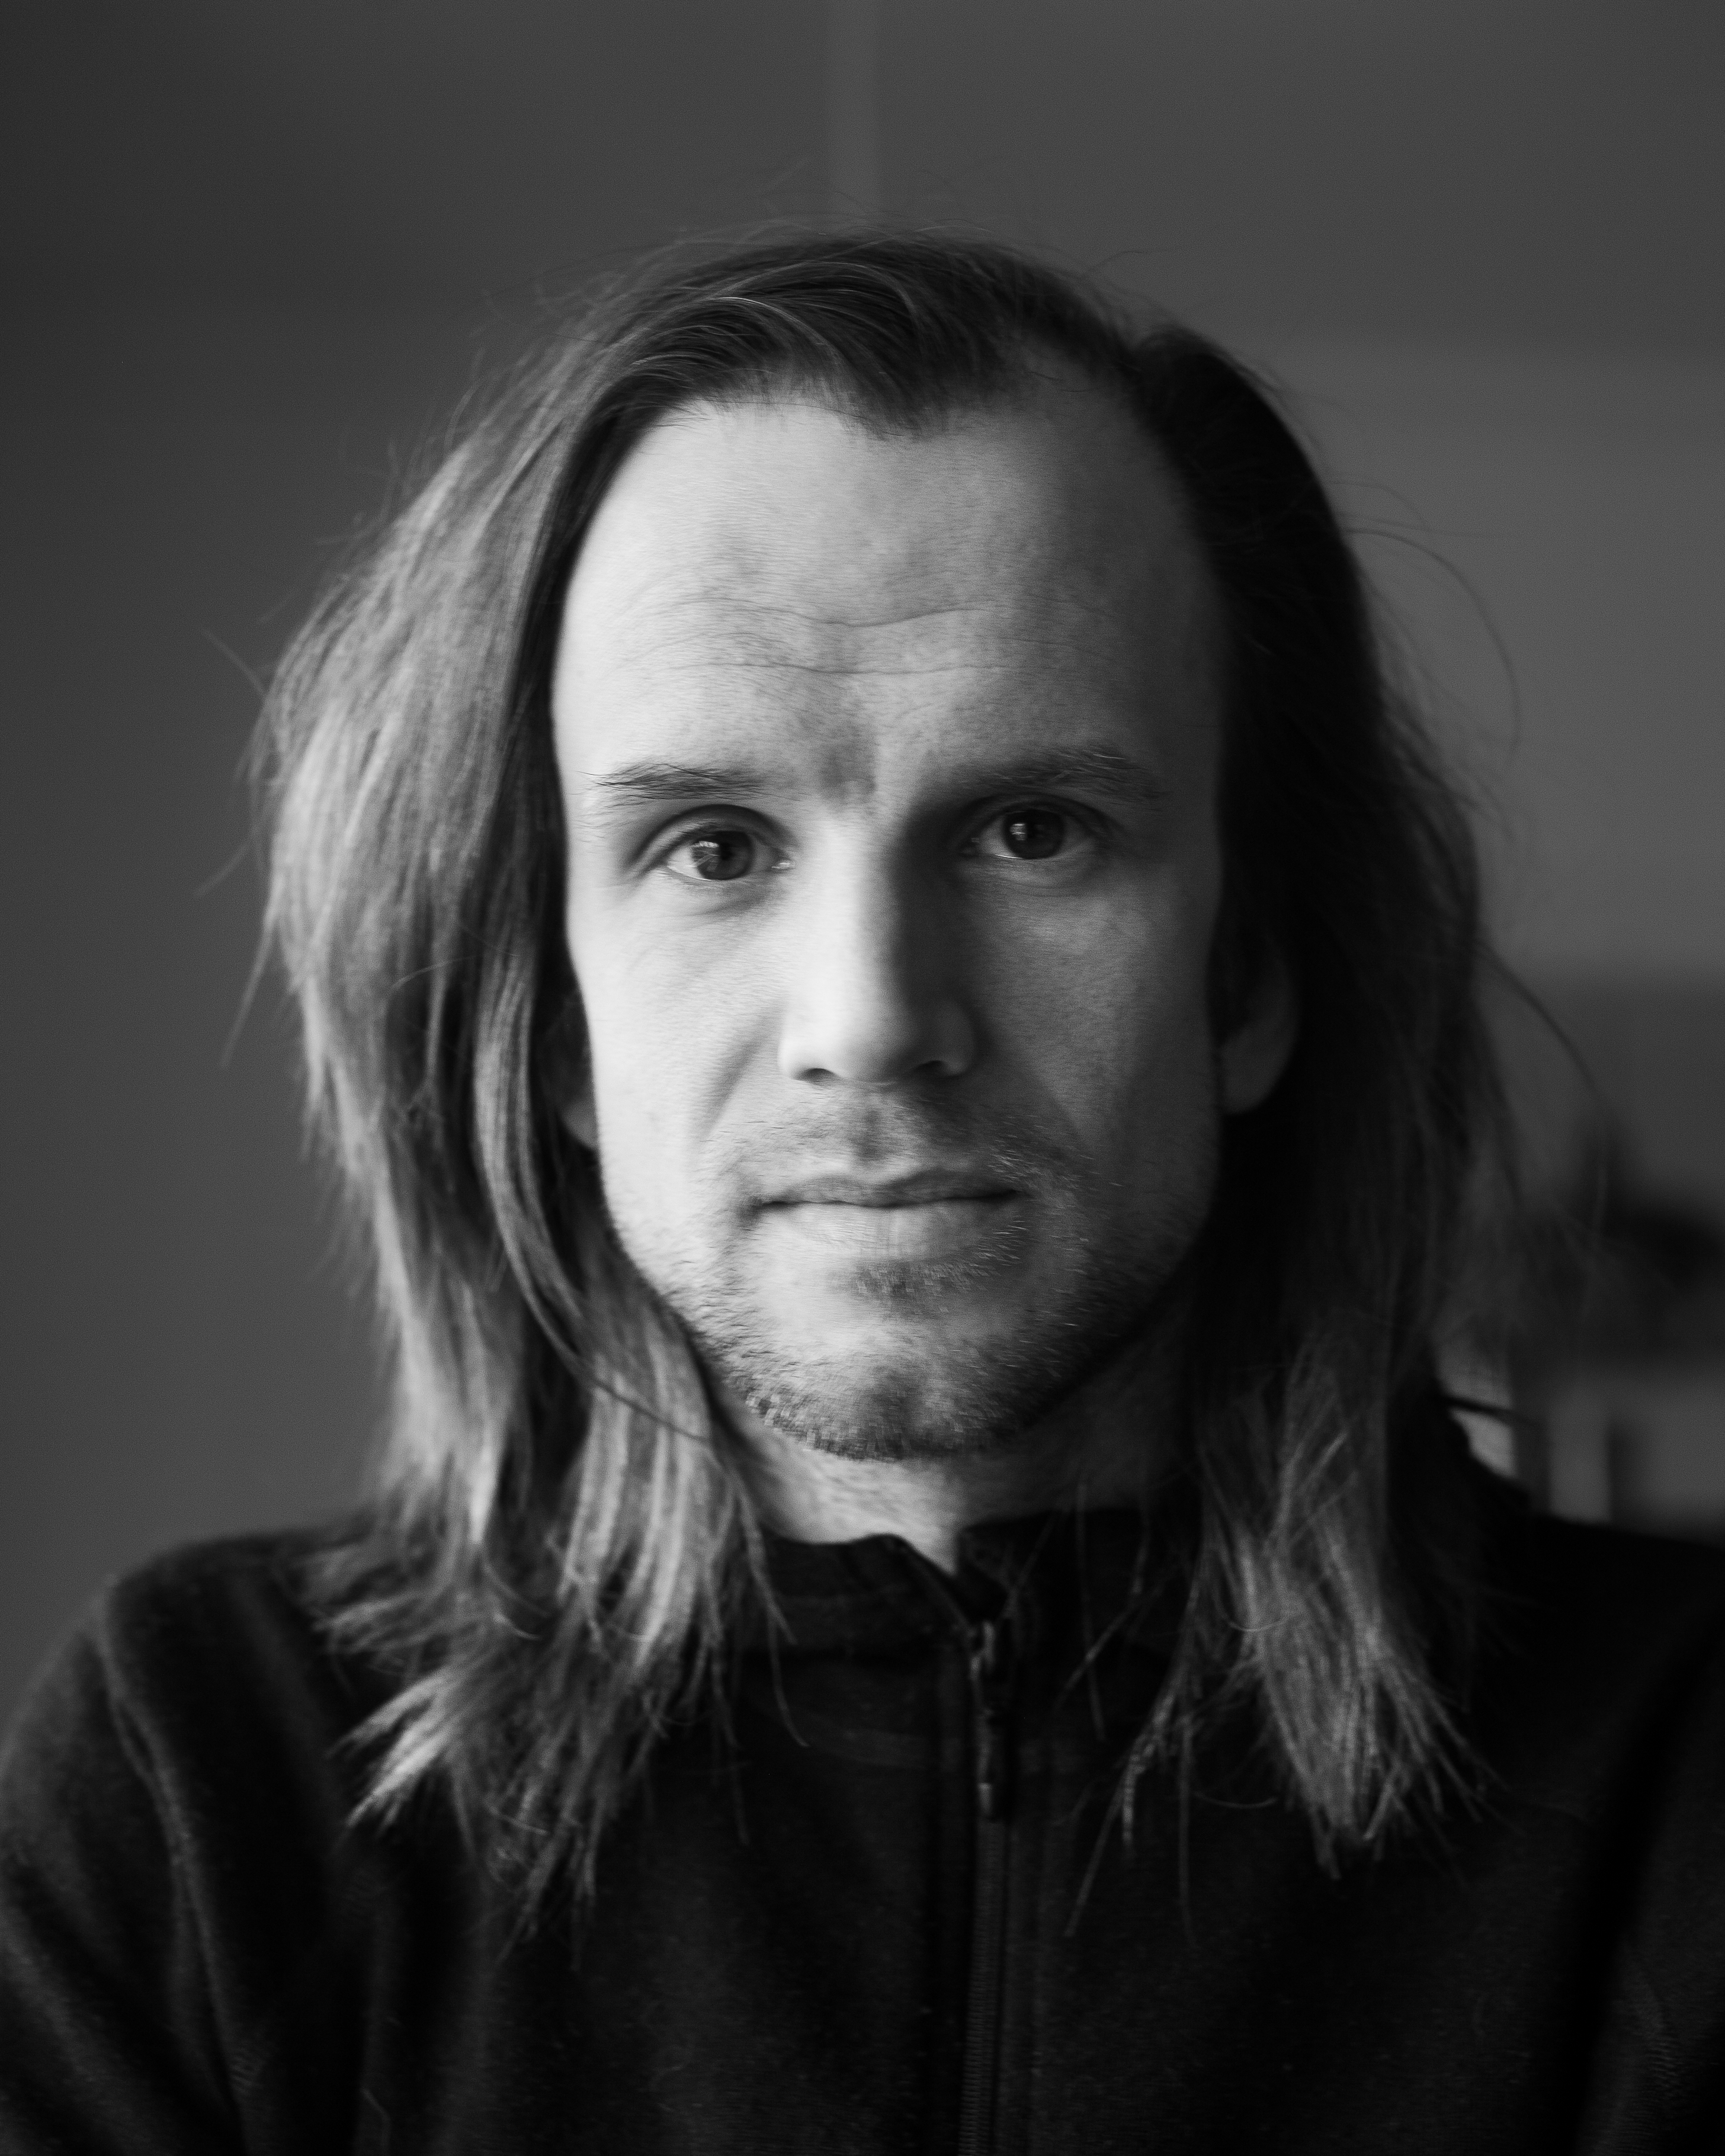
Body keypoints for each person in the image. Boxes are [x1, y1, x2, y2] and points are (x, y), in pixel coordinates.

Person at [2, 230, 1722, 2154]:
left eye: (1032, 830)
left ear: (1247, 979)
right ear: (553, 1026)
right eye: (711, 846)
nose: (874, 1021)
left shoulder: (1689, 1789)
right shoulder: (198, 1791)